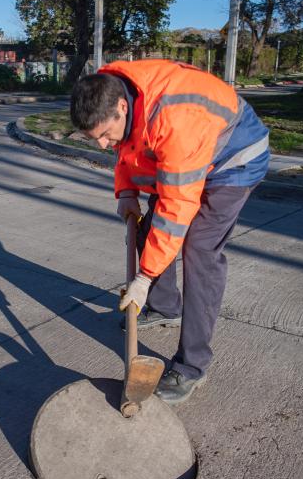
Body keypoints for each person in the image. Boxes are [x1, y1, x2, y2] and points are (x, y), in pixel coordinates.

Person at [70, 60, 270, 404]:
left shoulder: (176, 120)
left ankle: (192, 366)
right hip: (190, 155)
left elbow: (176, 207)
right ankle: (165, 308)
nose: (103, 145)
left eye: (104, 134)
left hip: (232, 161)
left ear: (121, 107)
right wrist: (127, 192)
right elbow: (127, 146)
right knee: (148, 228)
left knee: (200, 250)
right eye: (95, 138)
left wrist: (144, 278)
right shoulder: (117, 94)